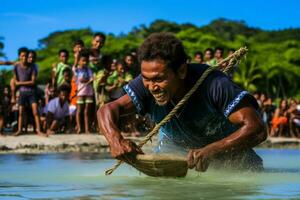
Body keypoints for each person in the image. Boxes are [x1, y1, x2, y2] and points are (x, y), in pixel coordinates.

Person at [98, 33, 266, 172]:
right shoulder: (145, 83)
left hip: (232, 157)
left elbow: (256, 128)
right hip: (175, 152)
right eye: (146, 79)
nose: (152, 87)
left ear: (182, 71)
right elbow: (107, 110)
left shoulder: (214, 84)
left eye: (159, 79)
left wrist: (212, 150)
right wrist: (115, 140)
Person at [12, 48, 44, 136]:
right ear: (19, 56)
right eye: (22, 56)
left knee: (35, 112)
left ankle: (39, 130)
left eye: (26, 56)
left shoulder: (32, 67)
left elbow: (33, 82)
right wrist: (14, 94)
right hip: (22, 93)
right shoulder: (16, 67)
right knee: (21, 112)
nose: (24, 57)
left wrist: (20, 83)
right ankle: (19, 130)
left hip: (31, 92)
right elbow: (15, 81)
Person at [73, 50, 94, 134]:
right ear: (79, 61)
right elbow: (74, 67)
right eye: (83, 61)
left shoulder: (89, 70)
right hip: (80, 92)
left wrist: (88, 80)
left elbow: (91, 79)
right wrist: (76, 57)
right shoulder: (77, 70)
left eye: (86, 61)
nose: (84, 62)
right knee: (79, 110)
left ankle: (87, 129)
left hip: (89, 92)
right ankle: (79, 128)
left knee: (87, 111)